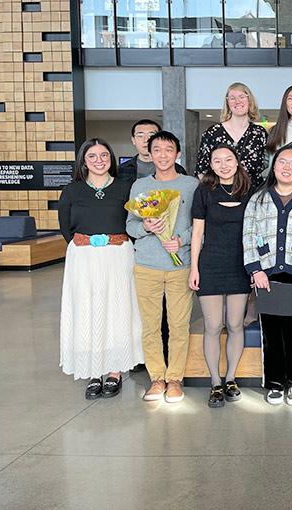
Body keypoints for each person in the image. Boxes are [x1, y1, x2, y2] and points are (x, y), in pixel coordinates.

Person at [58, 139, 143, 399]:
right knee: (87, 309)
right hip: (83, 258)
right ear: (83, 160)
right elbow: (65, 229)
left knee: (117, 309)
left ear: (112, 159)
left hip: (118, 255)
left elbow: (133, 223)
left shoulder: (124, 188)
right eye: (92, 156)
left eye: (104, 155)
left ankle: (115, 370)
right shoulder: (72, 190)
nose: (99, 160)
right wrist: (87, 245)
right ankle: (94, 372)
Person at [243, 146, 292, 406]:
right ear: (274, 166)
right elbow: (248, 234)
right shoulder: (259, 197)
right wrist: (256, 269)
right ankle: (276, 382)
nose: (287, 167)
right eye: (282, 162)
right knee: (272, 332)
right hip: (267, 275)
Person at [126, 131, 199, 403]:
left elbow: (201, 225)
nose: (163, 155)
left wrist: (182, 239)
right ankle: (156, 377)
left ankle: (175, 379)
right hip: (146, 264)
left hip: (180, 265)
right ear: (150, 153)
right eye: (157, 150)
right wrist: (145, 226)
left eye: (169, 150)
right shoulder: (140, 186)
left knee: (179, 325)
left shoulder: (190, 185)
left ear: (177, 154)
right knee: (150, 325)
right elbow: (129, 225)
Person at [189, 144, 253, 408]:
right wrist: (194, 267)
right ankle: (215, 382)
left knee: (236, 325)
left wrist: (255, 266)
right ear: (211, 165)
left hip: (240, 263)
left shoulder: (249, 190)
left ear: (237, 162)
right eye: (217, 161)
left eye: (228, 159)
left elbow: (255, 230)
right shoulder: (203, 191)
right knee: (213, 326)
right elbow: (197, 233)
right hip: (211, 263)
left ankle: (231, 378)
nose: (223, 164)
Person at [196, 83, 268, 192]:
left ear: (250, 101)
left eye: (242, 97)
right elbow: (202, 170)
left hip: (252, 196)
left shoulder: (259, 133)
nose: (237, 101)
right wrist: (215, 195)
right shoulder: (212, 133)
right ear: (227, 103)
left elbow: (266, 165)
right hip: (219, 197)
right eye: (232, 98)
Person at [118, 119, 186, 183]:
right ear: (133, 140)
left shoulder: (178, 170)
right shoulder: (121, 170)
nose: (146, 140)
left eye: (151, 135)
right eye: (140, 136)